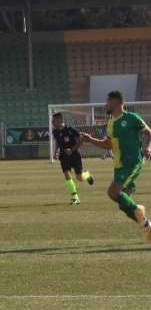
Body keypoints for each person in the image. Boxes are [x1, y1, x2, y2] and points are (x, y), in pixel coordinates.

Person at [80, 91, 151, 241]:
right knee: (123, 205)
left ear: (117, 103)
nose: (106, 104)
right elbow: (108, 144)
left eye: (108, 101)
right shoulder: (111, 122)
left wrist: (149, 147)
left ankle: (139, 211)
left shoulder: (132, 118)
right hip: (119, 165)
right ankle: (147, 226)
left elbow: (149, 133)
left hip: (132, 162)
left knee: (112, 192)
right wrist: (91, 139)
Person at [51, 113, 94, 205]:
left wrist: (72, 150)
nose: (52, 122)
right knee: (67, 175)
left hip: (74, 155)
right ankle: (75, 197)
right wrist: (55, 151)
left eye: (54, 121)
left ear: (60, 120)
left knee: (79, 178)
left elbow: (80, 140)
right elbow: (58, 142)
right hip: (63, 156)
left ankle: (87, 175)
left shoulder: (71, 130)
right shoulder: (54, 131)